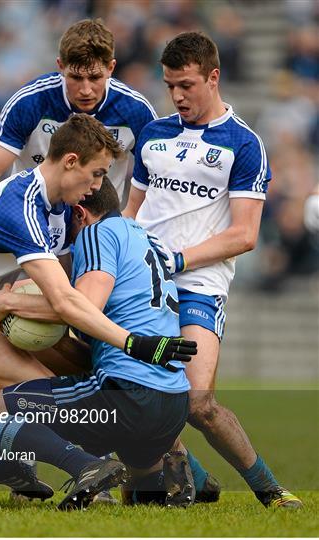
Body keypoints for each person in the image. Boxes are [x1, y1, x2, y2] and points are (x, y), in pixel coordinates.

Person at [0, 114, 196, 508]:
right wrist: (135, 343)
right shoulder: (19, 207)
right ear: (70, 161)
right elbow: (64, 300)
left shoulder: (61, 204)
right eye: (96, 174)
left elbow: (73, 287)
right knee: (40, 392)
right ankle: (86, 469)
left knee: (70, 384)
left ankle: (7, 467)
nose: (98, 187)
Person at [123, 31, 302, 509]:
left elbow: (245, 235)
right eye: (170, 86)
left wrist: (177, 259)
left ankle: (270, 492)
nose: (177, 95)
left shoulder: (244, 144)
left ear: (213, 77)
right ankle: (194, 479)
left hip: (200, 284)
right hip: (144, 281)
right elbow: (130, 214)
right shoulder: (153, 134)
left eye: (186, 84)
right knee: (133, 395)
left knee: (197, 402)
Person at [0, 176, 196, 510]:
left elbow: (84, 305)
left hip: (124, 394)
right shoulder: (146, 239)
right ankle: (171, 470)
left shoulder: (96, 233)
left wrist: (7, 304)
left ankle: (86, 467)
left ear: (80, 213)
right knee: (142, 496)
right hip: (173, 403)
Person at [0, 18, 157, 206]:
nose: (85, 90)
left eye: (94, 77)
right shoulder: (30, 101)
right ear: (60, 66)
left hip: (97, 224)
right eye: (76, 77)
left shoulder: (135, 110)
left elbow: (160, 177)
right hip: (32, 213)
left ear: (110, 68)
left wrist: (130, 220)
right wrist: (8, 221)